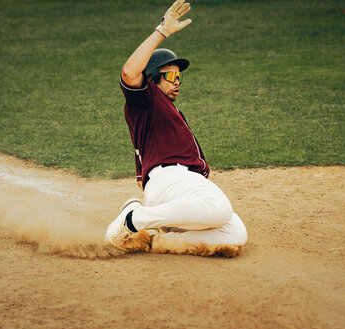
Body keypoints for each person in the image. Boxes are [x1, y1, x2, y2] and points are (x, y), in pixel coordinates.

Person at [104, 0, 247, 257]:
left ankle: (159, 240)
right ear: (152, 78)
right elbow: (128, 72)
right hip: (169, 179)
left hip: (176, 188)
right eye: (171, 76)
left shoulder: (164, 112)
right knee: (219, 207)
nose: (177, 82)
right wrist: (162, 31)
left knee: (235, 233)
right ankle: (133, 219)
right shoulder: (146, 100)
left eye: (179, 77)